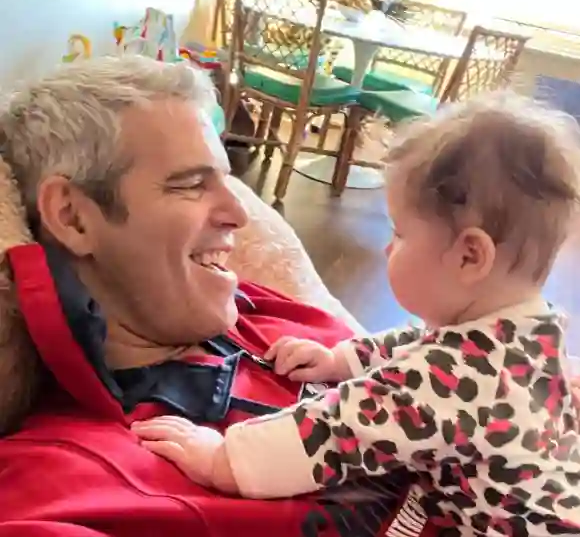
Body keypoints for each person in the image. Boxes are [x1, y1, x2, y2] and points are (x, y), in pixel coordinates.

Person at [0, 55, 441, 537]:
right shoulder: (64, 487)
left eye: (226, 181)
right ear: (73, 217)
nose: (239, 213)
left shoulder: (271, 315)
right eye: (191, 184)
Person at [132, 93, 580, 537]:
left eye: (400, 234)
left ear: (469, 256)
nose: (388, 248)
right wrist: (340, 360)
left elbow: (337, 430)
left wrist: (221, 459)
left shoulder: (456, 375)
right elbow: (417, 344)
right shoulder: (530, 329)